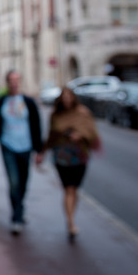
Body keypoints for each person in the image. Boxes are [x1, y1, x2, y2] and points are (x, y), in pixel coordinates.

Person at [36, 87, 101, 242]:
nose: (66, 100)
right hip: (62, 156)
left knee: (74, 189)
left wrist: (81, 135)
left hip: (79, 155)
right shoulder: (56, 115)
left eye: (68, 97)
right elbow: (51, 135)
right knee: (68, 188)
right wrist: (42, 151)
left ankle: (71, 218)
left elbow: (91, 132)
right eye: (63, 97)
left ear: (73, 98)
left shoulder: (83, 112)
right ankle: (70, 222)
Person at [0, 70, 42, 235]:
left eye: (17, 80)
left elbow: (36, 126)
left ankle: (20, 207)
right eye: (11, 80)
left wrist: (39, 150)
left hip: (25, 146)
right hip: (8, 146)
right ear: (7, 82)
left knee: (24, 181)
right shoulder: (1, 102)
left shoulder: (28, 102)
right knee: (14, 182)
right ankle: (16, 217)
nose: (14, 83)